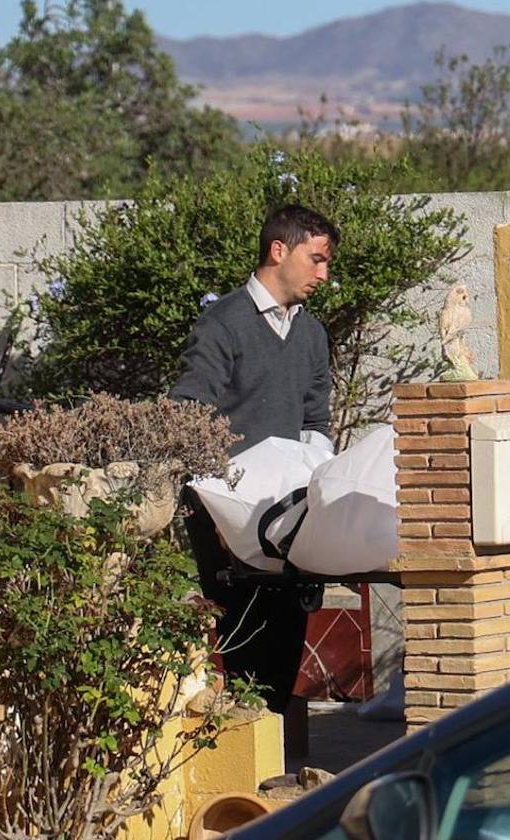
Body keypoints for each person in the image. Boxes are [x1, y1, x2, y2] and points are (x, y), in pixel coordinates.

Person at [170, 204, 338, 713]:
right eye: (316, 260)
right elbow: (188, 411)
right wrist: (222, 489)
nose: (323, 275)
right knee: (243, 636)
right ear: (278, 250)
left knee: (287, 631)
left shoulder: (311, 334)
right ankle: (251, 762)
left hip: (288, 509)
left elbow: (316, 420)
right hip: (226, 508)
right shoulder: (223, 323)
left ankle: (282, 762)